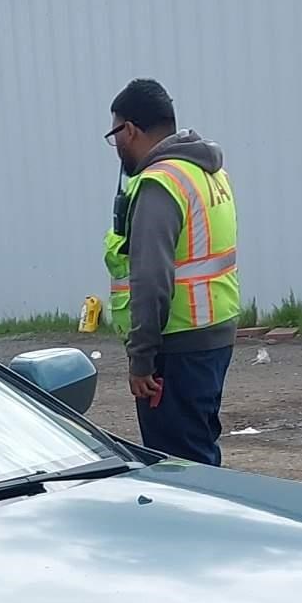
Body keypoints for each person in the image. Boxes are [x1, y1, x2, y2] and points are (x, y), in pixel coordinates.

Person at [105, 79, 238, 464]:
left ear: (129, 129)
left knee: (179, 468)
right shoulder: (208, 173)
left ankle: (206, 526)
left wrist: (141, 359)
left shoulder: (160, 184)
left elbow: (150, 280)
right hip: (213, 334)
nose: (117, 148)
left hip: (176, 345)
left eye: (115, 135)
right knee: (200, 448)